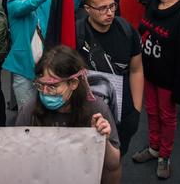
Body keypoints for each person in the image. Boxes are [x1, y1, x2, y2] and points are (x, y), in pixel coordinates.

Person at [15, 45, 121, 183]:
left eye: (53, 86)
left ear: (73, 83)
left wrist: (104, 139)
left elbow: (113, 165)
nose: (45, 92)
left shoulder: (97, 109)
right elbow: (17, 159)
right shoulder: (30, 110)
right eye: (41, 85)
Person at [133, 0, 180, 180]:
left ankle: (164, 156)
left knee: (167, 117)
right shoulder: (152, 4)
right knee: (151, 112)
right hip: (148, 73)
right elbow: (143, 30)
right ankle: (153, 148)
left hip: (169, 79)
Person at [77, 0, 143, 157]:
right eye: (102, 8)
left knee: (116, 161)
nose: (109, 12)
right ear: (87, 9)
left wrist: (136, 110)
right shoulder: (76, 33)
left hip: (123, 114)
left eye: (113, 6)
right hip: (87, 115)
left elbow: (136, 70)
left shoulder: (127, 30)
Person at [3, 0, 55, 108]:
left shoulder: (43, 2)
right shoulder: (13, 3)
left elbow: (66, 5)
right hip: (23, 68)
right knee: (27, 112)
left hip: (45, 67)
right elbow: (28, 5)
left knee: (46, 110)